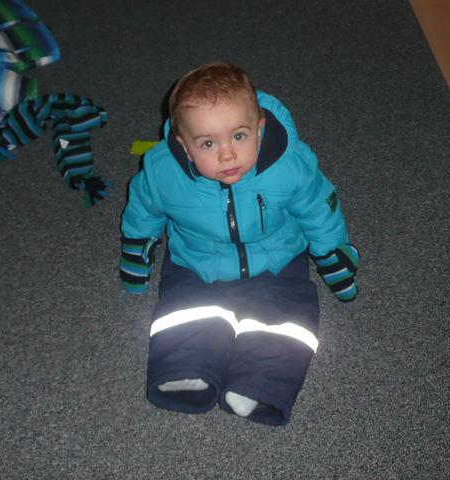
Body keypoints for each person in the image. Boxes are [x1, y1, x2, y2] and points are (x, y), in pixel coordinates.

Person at [119, 61, 359, 426]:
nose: (227, 154)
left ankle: (261, 380)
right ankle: (187, 366)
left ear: (259, 129)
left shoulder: (289, 164)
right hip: (197, 260)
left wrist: (333, 256)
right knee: (186, 308)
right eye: (208, 143)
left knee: (285, 317)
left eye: (239, 136)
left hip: (276, 259)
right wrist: (136, 254)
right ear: (185, 146)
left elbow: (319, 208)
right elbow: (142, 212)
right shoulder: (162, 172)